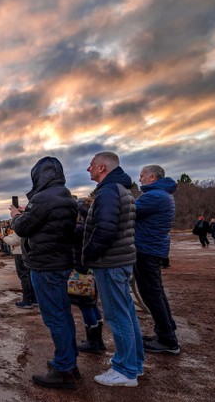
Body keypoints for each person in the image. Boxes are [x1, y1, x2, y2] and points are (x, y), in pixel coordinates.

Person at [10, 156, 78, 389]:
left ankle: (64, 369)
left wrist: (16, 216)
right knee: (64, 314)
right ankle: (69, 362)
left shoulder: (44, 198)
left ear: (40, 175)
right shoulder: (64, 195)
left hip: (46, 265)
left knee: (55, 317)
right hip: (60, 261)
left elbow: (23, 227)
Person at [82, 151, 143, 387]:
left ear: (102, 168)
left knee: (118, 317)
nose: (88, 169)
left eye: (91, 165)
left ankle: (125, 371)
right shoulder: (120, 189)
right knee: (126, 313)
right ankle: (134, 364)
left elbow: (105, 230)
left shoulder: (108, 192)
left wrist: (88, 254)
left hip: (110, 263)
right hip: (120, 260)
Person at [133, 165, 180, 354]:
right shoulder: (162, 194)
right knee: (156, 292)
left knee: (151, 294)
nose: (140, 179)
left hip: (146, 250)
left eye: (142, 176)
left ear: (152, 177)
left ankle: (167, 340)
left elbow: (129, 210)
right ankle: (166, 331)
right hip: (152, 249)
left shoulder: (155, 196)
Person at [71, 197, 106, 354]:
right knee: (91, 304)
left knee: (85, 306)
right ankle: (97, 340)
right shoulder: (93, 227)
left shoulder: (79, 229)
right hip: (91, 270)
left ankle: (93, 342)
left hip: (81, 271)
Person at [14, 237, 37, 309]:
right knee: (30, 275)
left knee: (24, 276)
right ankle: (34, 299)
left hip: (20, 252)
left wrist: (4, 237)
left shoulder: (21, 227)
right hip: (28, 252)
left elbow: (15, 240)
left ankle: (27, 300)